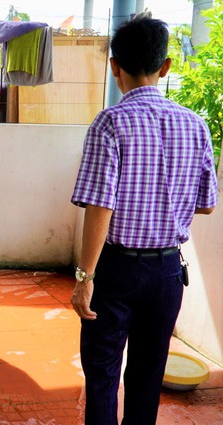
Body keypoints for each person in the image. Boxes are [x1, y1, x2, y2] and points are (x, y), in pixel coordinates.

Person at [70, 14, 218, 425]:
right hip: (169, 271)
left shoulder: (111, 122)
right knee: (148, 375)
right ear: (166, 66)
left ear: (114, 66)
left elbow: (101, 207)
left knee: (102, 371)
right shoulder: (196, 125)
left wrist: (86, 278)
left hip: (117, 270)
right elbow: (207, 204)